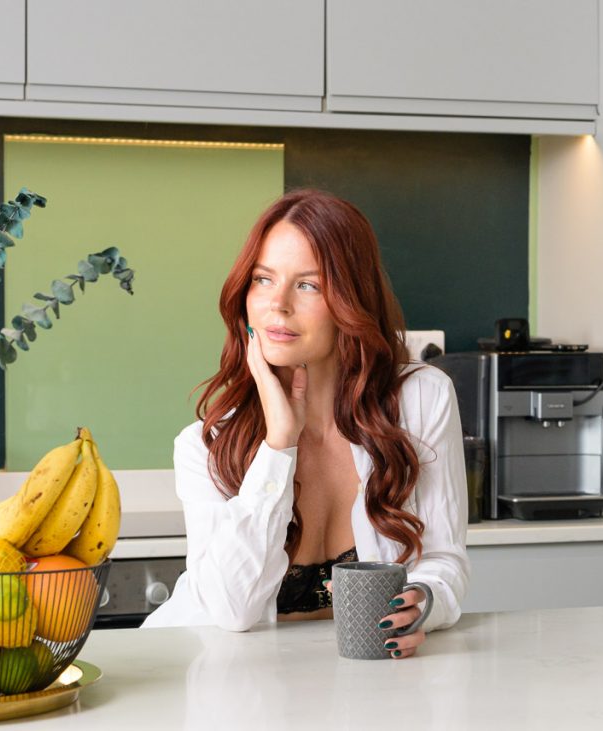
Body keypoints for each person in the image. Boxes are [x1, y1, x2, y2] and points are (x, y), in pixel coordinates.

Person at [142, 189, 469, 659]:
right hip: (219, 683)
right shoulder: (206, 445)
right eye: (263, 279)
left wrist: (424, 603)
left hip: (359, 683)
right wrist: (279, 444)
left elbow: (443, 559)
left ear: (350, 299)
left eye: (308, 285)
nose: (278, 304)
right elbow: (233, 612)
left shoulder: (420, 400)